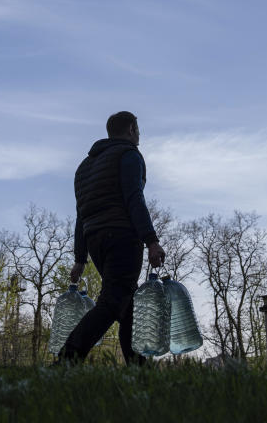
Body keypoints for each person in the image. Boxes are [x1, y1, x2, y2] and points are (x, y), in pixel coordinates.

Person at [58, 111, 166, 364]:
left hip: (96, 240)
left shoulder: (84, 167)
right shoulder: (129, 155)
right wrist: (151, 240)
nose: (139, 135)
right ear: (131, 129)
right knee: (112, 302)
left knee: (126, 303)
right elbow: (134, 199)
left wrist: (80, 258)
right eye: (138, 129)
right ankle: (67, 358)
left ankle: (138, 367)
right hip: (122, 237)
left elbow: (80, 214)